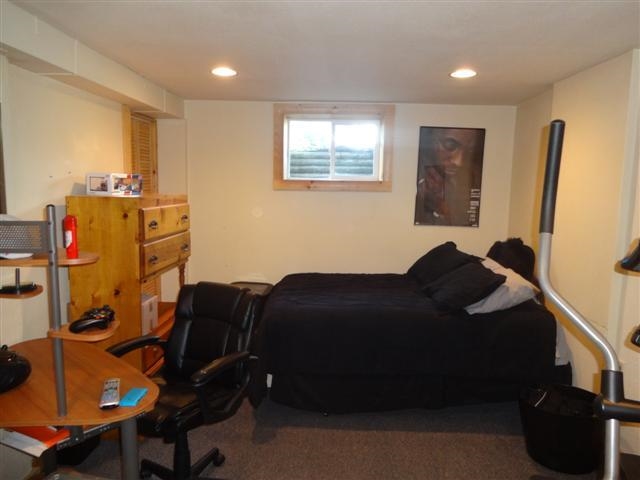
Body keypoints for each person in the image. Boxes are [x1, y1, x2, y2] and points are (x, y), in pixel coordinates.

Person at [414, 127, 485, 226]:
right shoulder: (418, 174)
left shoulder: (476, 178)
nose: (459, 162)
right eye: (450, 145)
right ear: (432, 141)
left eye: (470, 150)